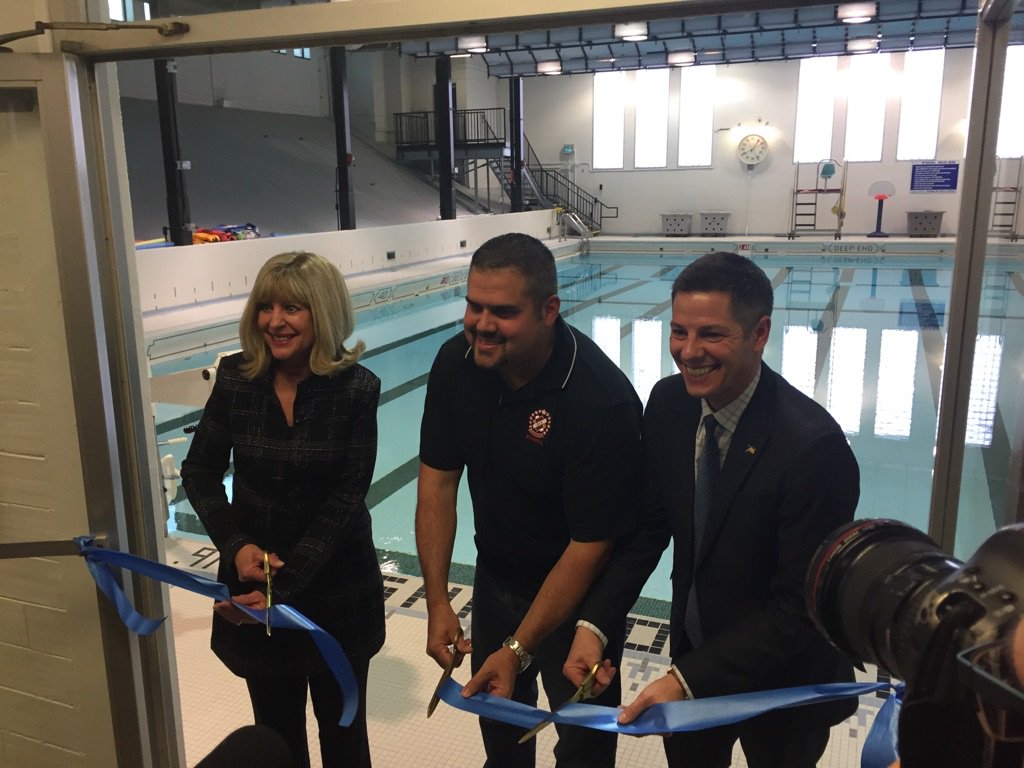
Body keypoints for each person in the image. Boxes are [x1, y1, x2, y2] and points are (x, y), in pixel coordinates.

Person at [566, 251, 859, 767]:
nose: (688, 351)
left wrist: (685, 680)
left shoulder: (812, 449)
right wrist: (595, 625)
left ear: (759, 333)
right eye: (679, 331)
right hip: (696, 657)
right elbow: (650, 529)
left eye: (711, 334)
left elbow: (800, 609)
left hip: (784, 685)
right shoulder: (669, 405)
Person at [416, 232, 643, 767]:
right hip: (497, 585)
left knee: (584, 752)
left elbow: (590, 545)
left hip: (580, 604)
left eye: (503, 311)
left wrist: (518, 649)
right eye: (474, 305)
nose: (482, 324)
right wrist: (437, 601)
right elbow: (437, 483)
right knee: (503, 749)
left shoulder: (598, 399)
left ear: (548, 310)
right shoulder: (456, 364)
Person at [181, 251, 384, 768]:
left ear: (323, 312)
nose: (274, 321)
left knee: (344, 736)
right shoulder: (236, 379)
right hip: (255, 583)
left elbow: (346, 499)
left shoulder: (357, 390)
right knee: (275, 740)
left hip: (336, 590)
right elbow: (200, 471)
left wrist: (280, 591)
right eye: (266, 306)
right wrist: (236, 545)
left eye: (292, 307)